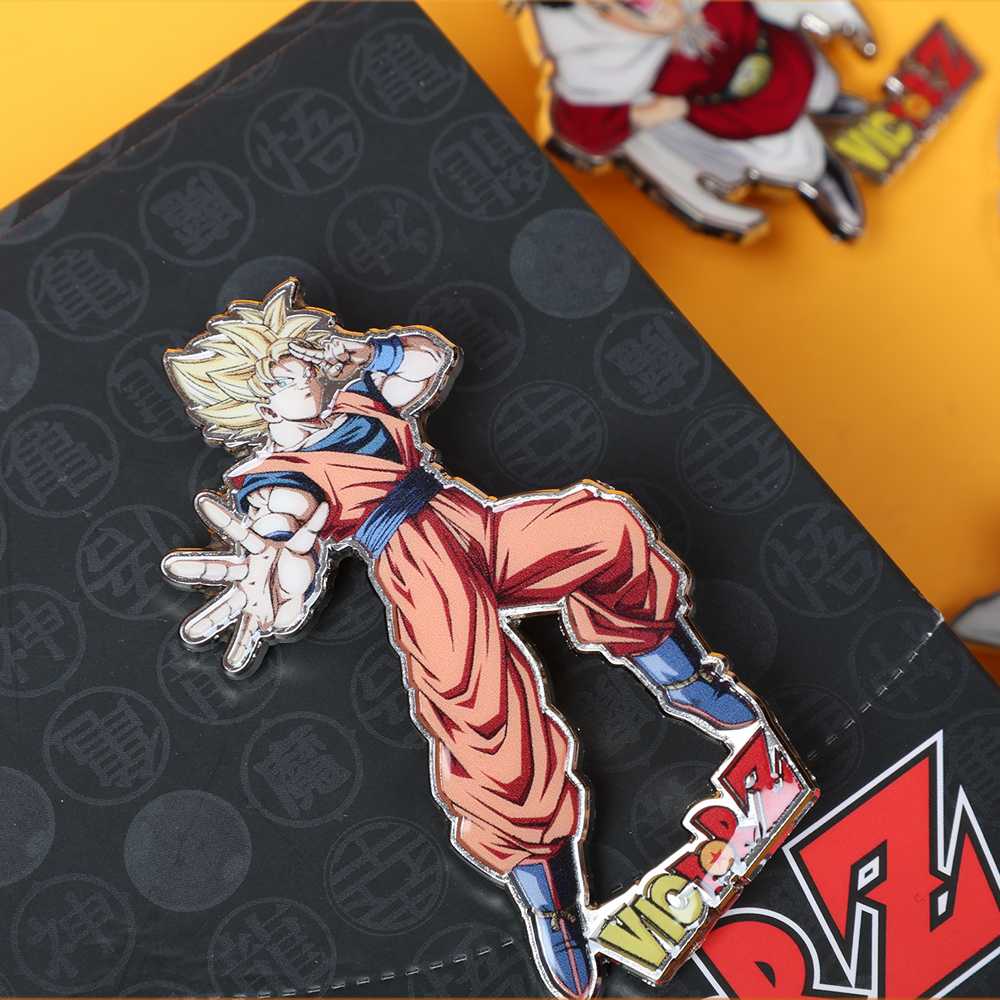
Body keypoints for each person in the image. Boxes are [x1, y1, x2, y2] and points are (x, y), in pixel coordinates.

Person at [161, 279, 759, 999]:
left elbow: (427, 361)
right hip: (420, 566)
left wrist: (364, 351)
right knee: (482, 713)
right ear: (259, 403)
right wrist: (279, 566)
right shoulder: (275, 476)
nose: (311, 374)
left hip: (471, 523)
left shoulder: (357, 401)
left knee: (605, 530)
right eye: (290, 374)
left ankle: (684, 677)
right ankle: (551, 900)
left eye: (306, 360)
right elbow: (287, 528)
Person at [528, 0, 871, 240]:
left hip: (784, 58)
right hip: (739, 119)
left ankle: (830, 106)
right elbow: (583, 125)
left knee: (821, 86)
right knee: (796, 158)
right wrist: (654, 113)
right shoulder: (616, 63)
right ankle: (822, 177)